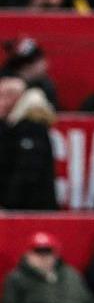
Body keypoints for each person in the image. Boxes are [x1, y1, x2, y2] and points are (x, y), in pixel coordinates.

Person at [3, 231, 94, 303]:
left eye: (48, 252)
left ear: (56, 254)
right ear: (28, 254)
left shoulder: (72, 275)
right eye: (38, 252)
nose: (43, 257)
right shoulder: (16, 278)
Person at [0, 76, 57, 210]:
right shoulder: (10, 126)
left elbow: (27, 174)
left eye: (4, 95)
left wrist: (7, 205)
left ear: (16, 98)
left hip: (31, 212)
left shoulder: (32, 126)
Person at [1, 37, 59, 107]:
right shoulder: (5, 81)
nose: (45, 64)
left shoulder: (45, 85)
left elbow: (54, 112)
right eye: (39, 60)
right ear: (26, 66)